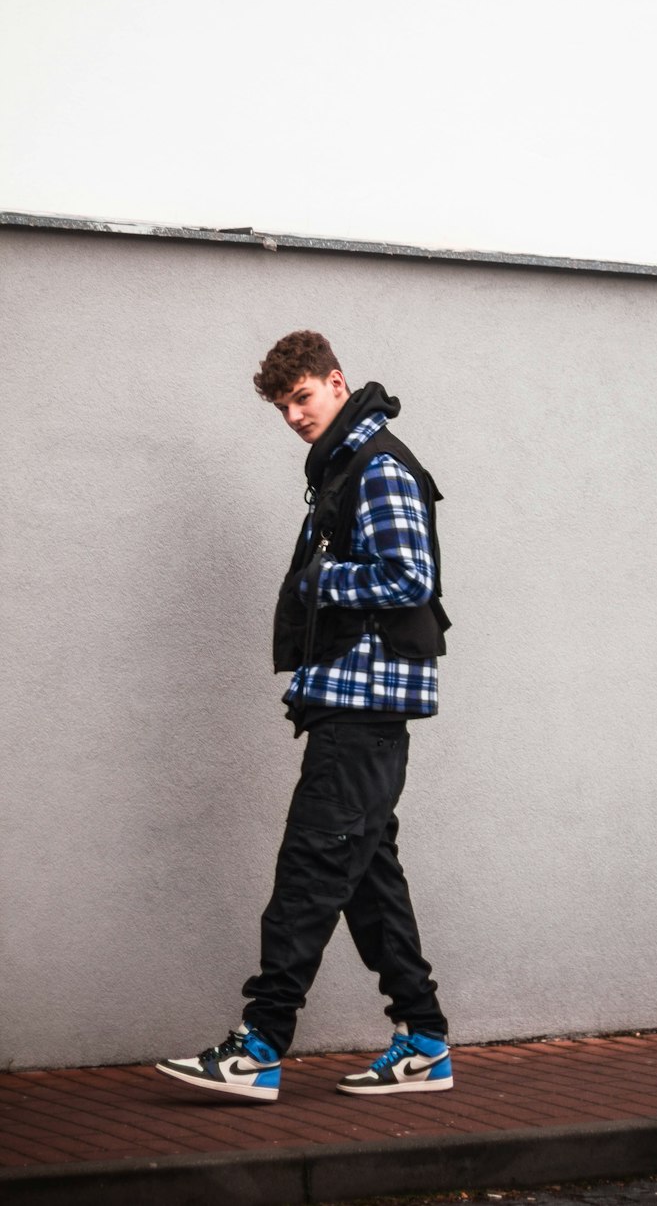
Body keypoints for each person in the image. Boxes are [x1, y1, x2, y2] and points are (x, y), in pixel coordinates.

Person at [156, 330, 451, 1103]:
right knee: (366, 880)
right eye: (282, 405)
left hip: (364, 711)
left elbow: (408, 576)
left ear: (336, 381)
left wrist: (323, 578)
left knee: (310, 872)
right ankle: (423, 1041)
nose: (293, 415)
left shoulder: (377, 465)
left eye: (303, 397)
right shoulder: (340, 468)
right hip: (350, 707)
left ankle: (259, 1047)